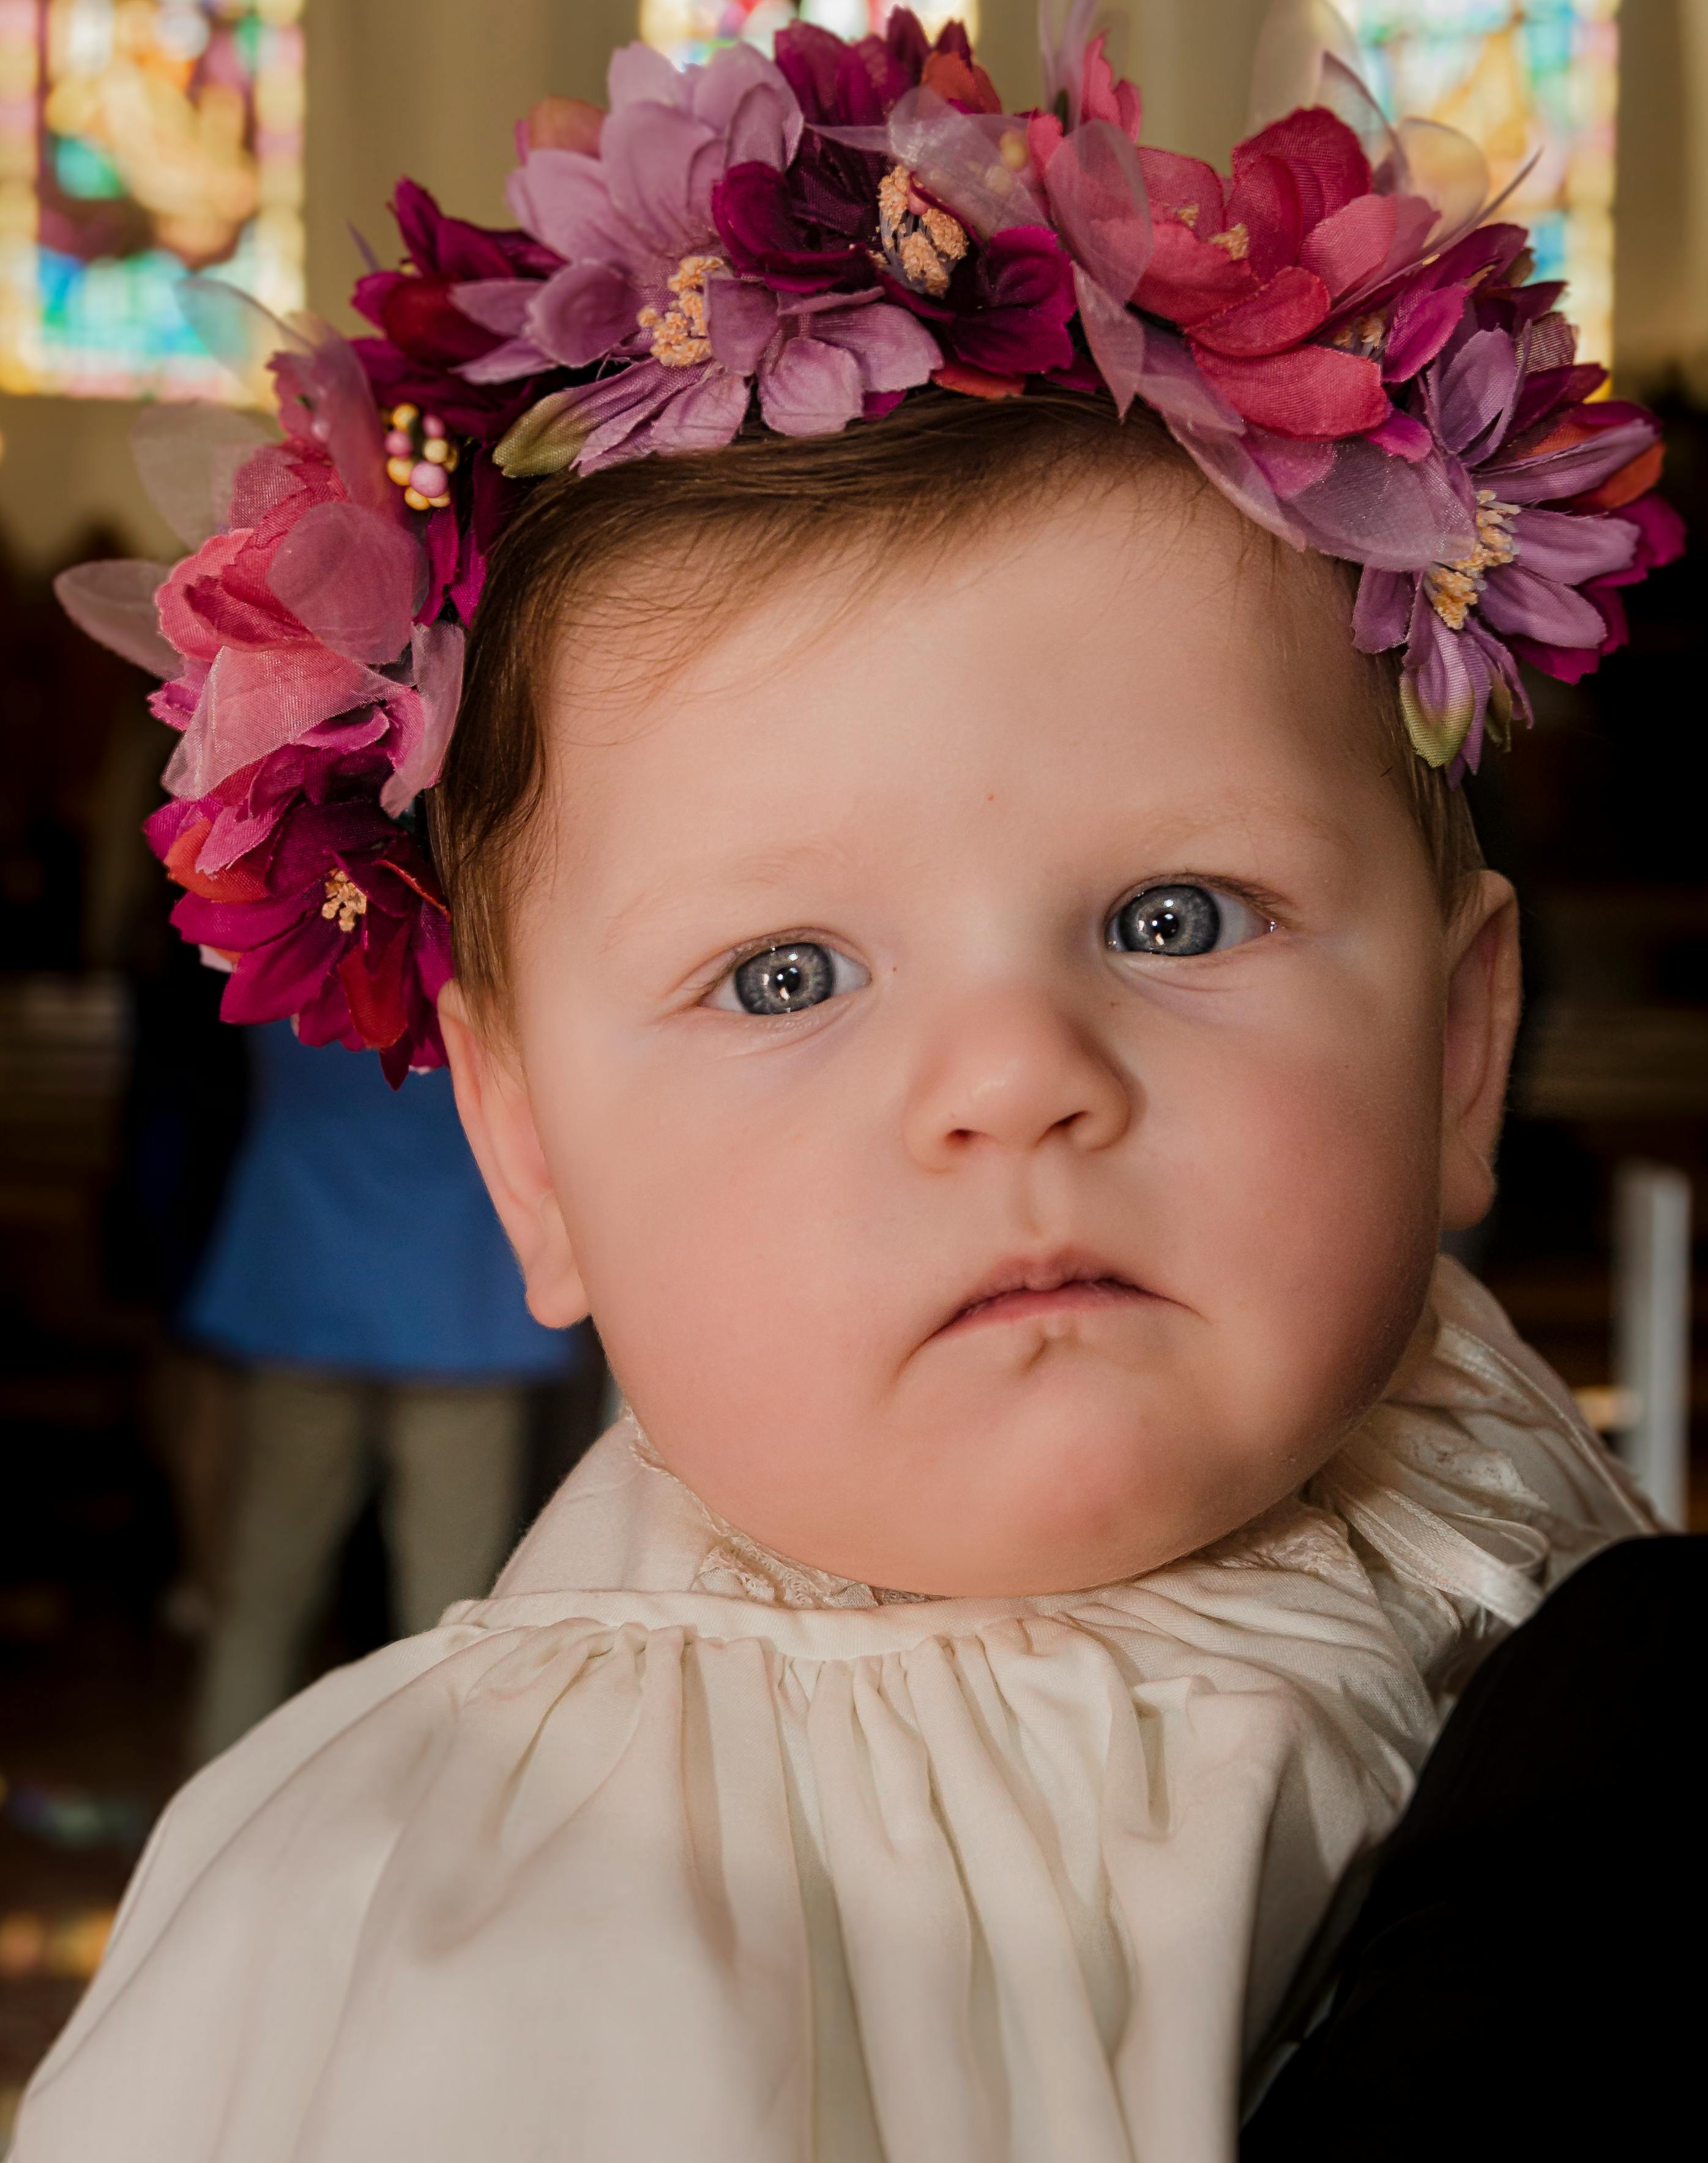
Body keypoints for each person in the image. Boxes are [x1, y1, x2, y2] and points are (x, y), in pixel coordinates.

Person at [21, 5, 1684, 2157]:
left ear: (1460, 1053)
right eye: (785, 969)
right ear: (526, 1155)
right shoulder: (431, 1928)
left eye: (1176, 917)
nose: (1012, 1082)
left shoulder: (1562, 1583)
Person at [179, 1018, 576, 1762]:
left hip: (308, 1271)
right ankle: (442, 1843)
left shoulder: (283, 929)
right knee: (452, 1609)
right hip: (456, 1289)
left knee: (262, 1591)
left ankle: (206, 1824)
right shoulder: (484, 942)